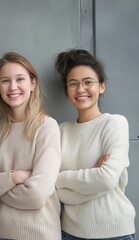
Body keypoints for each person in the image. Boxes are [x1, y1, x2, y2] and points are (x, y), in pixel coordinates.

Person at [55, 49, 136, 240]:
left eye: (88, 82)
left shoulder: (115, 123)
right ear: (67, 90)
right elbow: (53, 190)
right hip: (70, 233)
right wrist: (94, 177)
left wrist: (61, 178)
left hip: (116, 233)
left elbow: (106, 179)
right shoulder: (61, 130)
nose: (81, 89)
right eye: (73, 84)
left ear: (101, 86)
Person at [0, 52, 61, 240]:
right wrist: (16, 177)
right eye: (5, 81)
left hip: (41, 235)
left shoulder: (47, 127)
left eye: (20, 79)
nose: (13, 87)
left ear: (32, 83)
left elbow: (36, 196)